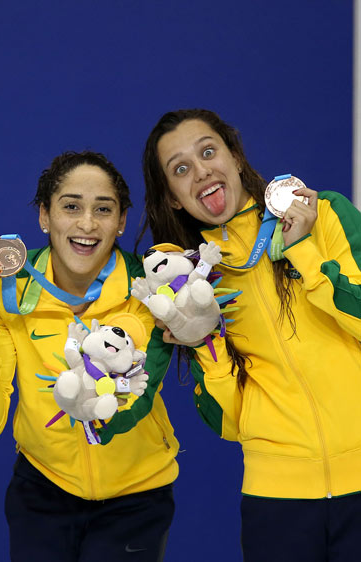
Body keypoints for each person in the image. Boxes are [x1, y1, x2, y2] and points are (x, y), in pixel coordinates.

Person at [140, 108, 361, 561]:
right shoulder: (191, 283)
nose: (201, 172)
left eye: (208, 152)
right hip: (277, 499)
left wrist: (304, 253)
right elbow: (228, 421)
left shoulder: (323, 213)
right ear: (174, 199)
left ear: (235, 157)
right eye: (180, 169)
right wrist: (205, 342)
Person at [0, 151, 179, 562]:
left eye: (103, 209)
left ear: (121, 222)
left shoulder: (149, 294)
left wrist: (97, 416)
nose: (87, 224)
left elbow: (138, 395)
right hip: (42, 492)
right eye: (71, 206)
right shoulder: (11, 296)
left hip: (137, 496)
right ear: (44, 216)